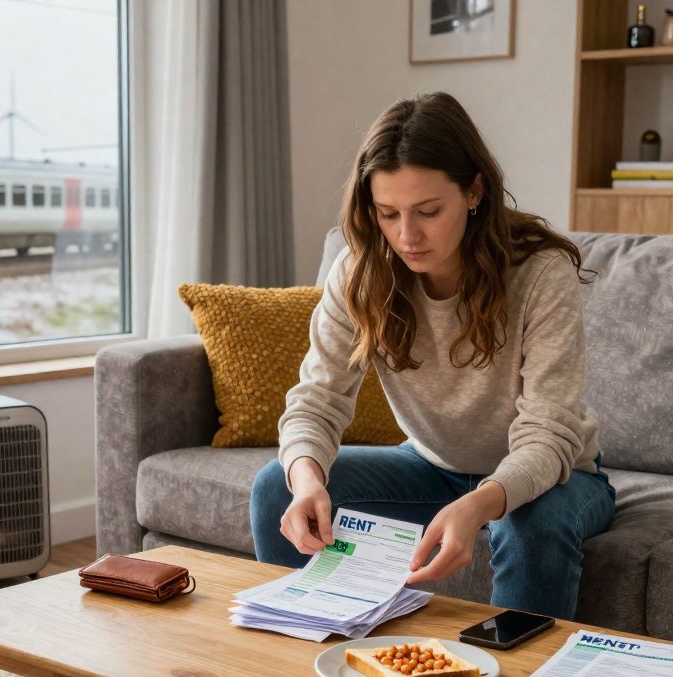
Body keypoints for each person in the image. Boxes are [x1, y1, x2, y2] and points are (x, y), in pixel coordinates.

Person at [249, 92, 615, 619]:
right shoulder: (359, 272)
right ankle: (317, 656)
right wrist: (306, 480)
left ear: (474, 191)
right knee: (275, 489)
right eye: (387, 213)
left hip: (560, 475)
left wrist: (479, 504)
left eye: (428, 211)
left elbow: (548, 434)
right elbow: (317, 400)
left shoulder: (540, 274)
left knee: (529, 523)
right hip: (431, 465)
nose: (406, 236)